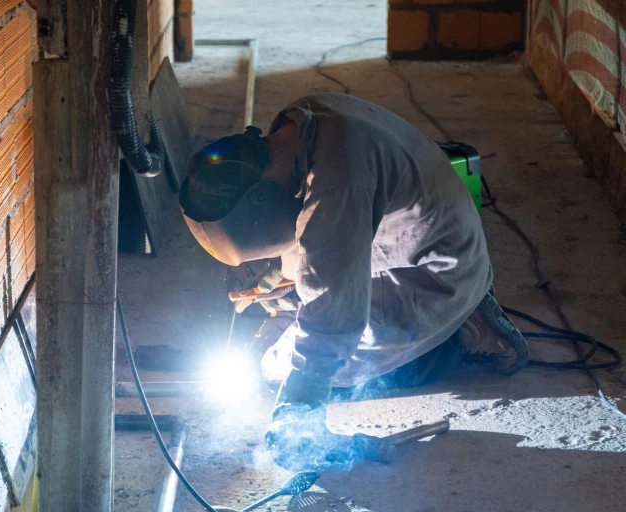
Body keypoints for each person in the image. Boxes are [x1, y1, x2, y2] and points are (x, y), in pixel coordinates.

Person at [178, 93, 529, 469]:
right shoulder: (300, 123)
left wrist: (298, 412)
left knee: (292, 369)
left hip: (437, 277)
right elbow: (316, 229)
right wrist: (275, 280)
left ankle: (450, 341)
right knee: (296, 319)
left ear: (263, 201)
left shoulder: (337, 188)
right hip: (412, 241)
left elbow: (332, 320)